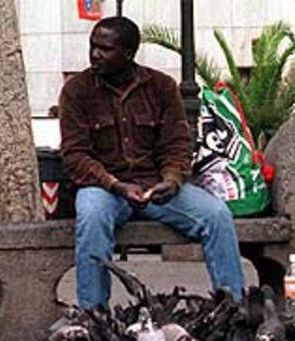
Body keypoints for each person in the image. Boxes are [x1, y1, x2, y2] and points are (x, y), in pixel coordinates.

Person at [59, 16, 245, 310]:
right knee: (91, 216)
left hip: (156, 187)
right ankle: (92, 315)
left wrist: (171, 180)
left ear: (128, 53)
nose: (95, 54)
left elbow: (177, 144)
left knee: (216, 215)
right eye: (93, 46)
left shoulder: (161, 87)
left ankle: (233, 308)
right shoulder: (77, 90)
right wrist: (116, 185)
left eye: (105, 49)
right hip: (104, 187)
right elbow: (75, 155)